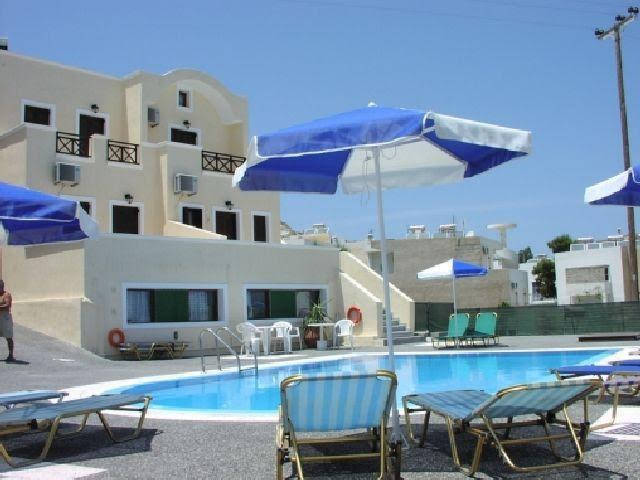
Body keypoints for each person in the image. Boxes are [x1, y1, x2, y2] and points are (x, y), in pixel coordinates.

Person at [0, 280, 14, 362]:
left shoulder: (7, 295)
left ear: (2, 286)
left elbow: (7, 305)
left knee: (8, 337)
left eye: (0, 286)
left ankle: (10, 354)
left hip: (5, 318)